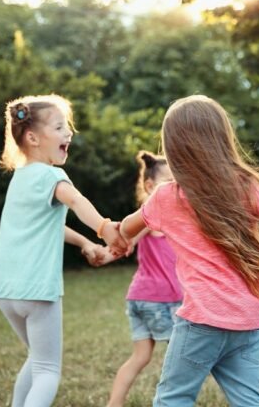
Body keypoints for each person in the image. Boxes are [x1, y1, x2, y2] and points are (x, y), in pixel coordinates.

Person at [103, 95, 259, 407]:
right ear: (222, 139)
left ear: (173, 148)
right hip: (249, 318)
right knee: (249, 401)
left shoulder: (166, 196)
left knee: (173, 399)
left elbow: (127, 229)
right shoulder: (245, 184)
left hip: (202, 320)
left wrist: (111, 234)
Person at [0, 94, 119, 407]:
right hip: (37, 291)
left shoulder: (20, 178)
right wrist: (104, 228)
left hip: (6, 292)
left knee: (37, 359)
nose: (69, 133)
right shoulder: (53, 176)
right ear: (33, 138)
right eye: (59, 127)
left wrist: (85, 243)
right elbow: (76, 201)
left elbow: (49, 226)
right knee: (47, 370)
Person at [105, 151, 183, 407]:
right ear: (150, 187)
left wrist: (106, 253)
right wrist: (108, 250)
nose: (175, 187)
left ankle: (114, 404)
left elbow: (126, 241)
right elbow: (127, 239)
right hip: (161, 300)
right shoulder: (153, 215)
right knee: (182, 357)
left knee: (140, 358)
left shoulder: (159, 217)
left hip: (139, 297)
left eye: (178, 182)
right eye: (168, 182)